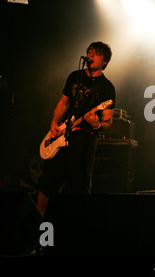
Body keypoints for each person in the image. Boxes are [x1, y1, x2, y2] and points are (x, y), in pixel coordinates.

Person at [36, 41, 116, 216]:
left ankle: (76, 227)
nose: (91, 55)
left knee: (78, 186)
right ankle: (38, 223)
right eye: (89, 51)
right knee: (46, 182)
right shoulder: (75, 76)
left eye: (96, 53)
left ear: (105, 61)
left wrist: (97, 124)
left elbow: (108, 122)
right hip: (62, 135)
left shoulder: (107, 88)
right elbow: (63, 102)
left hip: (85, 139)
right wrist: (53, 124)